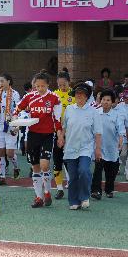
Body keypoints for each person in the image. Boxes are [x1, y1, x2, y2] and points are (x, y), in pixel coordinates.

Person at [13, 71, 63, 208]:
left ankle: (47, 192)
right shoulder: (29, 97)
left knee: (45, 165)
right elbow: (17, 109)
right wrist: (15, 121)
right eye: (37, 86)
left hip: (47, 135)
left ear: (48, 85)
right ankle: (39, 197)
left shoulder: (54, 98)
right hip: (32, 134)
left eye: (43, 86)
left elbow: (57, 120)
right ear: (34, 85)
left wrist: (59, 135)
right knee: (35, 167)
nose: (40, 89)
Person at [62, 83, 102, 210]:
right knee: (73, 176)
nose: (79, 96)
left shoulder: (93, 112)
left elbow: (98, 132)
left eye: (82, 94)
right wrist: (60, 138)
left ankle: (84, 196)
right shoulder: (69, 109)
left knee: (84, 171)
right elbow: (63, 127)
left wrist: (98, 149)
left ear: (87, 96)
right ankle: (74, 201)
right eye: (77, 93)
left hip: (86, 147)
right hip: (70, 147)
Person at [91, 89, 123, 199]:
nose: (105, 102)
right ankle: (96, 191)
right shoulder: (96, 113)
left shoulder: (117, 115)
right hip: (99, 147)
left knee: (111, 171)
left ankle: (109, 190)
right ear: (100, 101)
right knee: (98, 169)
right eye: (103, 99)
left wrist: (120, 141)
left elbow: (121, 130)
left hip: (112, 148)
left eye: (108, 100)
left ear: (113, 102)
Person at [0, 73, 21, 185]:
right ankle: (2, 175)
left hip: (11, 125)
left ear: (9, 81)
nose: (0, 84)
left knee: (9, 153)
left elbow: (18, 110)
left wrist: (17, 125)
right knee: (1, 152)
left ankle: (16, 167)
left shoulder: (15, 94)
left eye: (2, 81)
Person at [52, 71, 74, 199]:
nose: (62, 87)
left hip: (71, 133)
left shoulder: (75, 95)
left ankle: (72, 183)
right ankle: (59, 188)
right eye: (60, 85)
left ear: (69, 82)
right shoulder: (54, 95)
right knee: (57, 161)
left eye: (64, 84)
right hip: (57, 132)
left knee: (70, 160)